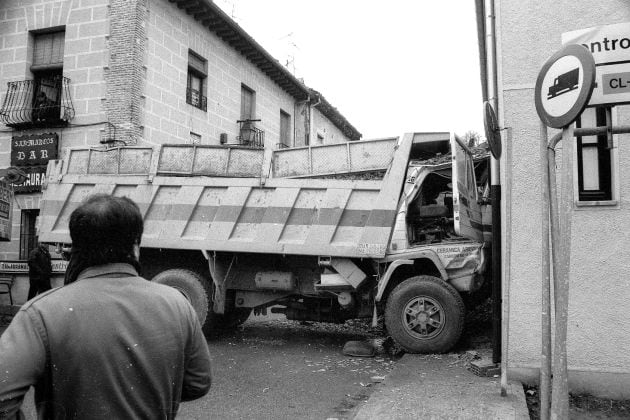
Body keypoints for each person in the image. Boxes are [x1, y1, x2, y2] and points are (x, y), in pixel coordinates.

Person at [0, 194, 212, 419]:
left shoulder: (39, 314)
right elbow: (198, 382)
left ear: (76, 246)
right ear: (136, 246)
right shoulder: (178, 304)